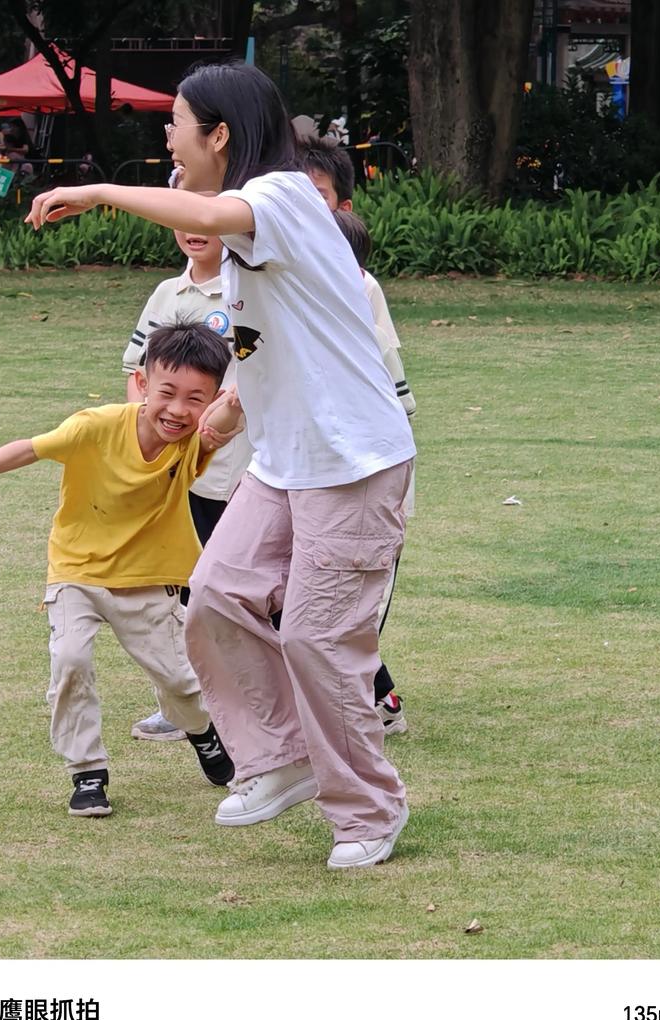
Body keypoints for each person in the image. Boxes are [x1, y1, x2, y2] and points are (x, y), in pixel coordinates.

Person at [25, 60, 416, 870]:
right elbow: (266, 339)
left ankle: (369, 809)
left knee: (318, 636)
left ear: (220, 135)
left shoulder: (278, 198)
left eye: (175, 123)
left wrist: (98, 193)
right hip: (283, 461)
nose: (167, 137)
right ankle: (280, 759)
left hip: (354, 462)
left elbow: (209, 209)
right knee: (214, 595)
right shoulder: (244, 244)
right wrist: (225, 407)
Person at [0, 323, 245, 817]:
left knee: (179, 682)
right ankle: (87, 772)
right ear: (143, 384)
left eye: (196, 398)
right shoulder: (96, 425)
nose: (177, 410)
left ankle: (203, 735)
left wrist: (240, 393)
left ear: (211, 399)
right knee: (70, 662)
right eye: (167, 392)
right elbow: (33, 447)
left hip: (150, 577)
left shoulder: (193, 442)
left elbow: (224, 424)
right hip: (77, 570)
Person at [297, 133, 415, 735]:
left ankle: (372, 699)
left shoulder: (357, 285)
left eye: (317, 197)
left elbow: (392, 392)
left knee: (342, 599)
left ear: (344, 208)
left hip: (363, 466)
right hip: (295, 465)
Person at [120, 226, 253, 742]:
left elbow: (255, 377)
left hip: (237, 471)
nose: (194, 230)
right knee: (175, 591)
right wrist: (140, 451)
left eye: (206, 214)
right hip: (174, 478)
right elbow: (136, 377)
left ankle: (251, 705)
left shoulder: (246, 292)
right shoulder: (167, 294)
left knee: (237, 593)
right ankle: (184, 703)